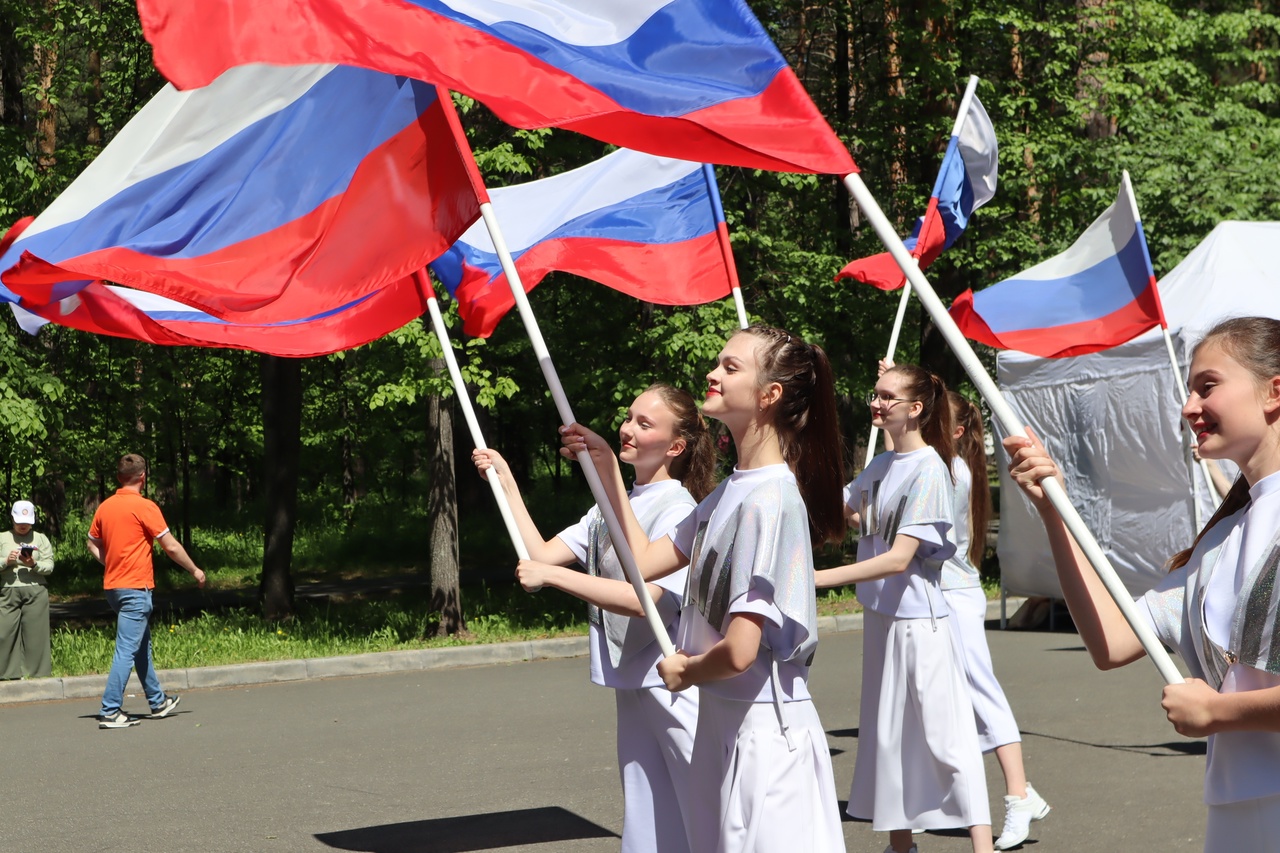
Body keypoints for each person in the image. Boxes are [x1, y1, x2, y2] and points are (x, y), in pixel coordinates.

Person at [559, 325, 847, 853]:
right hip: (724, 723)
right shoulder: (729, 492)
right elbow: (644, 561)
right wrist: (605, 470)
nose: (712, 374)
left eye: (730, 367)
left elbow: (740, 651)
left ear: (769, 395)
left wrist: (685, 670)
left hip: (764, 728)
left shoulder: (770, 500)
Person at [1003, 316, 1280, 853]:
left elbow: (1215, 704)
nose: (1189, 407)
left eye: (1209, 385)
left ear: (1275, 391)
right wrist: (1056, 512)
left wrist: (1220, 712)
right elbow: (1113, 641)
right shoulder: (1221, 537)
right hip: (1237, 811)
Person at [474, 384, 714, 853]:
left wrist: (553, 578)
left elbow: (641, 598)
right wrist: (505, 481)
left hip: (673, 680)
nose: (627, 428)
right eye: (628, 417)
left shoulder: (680, 509)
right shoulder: (611, 504)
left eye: (645, 424)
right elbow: (541, 553)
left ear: (676, 446)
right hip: (633, 682)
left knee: (703, 799)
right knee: (646, 805)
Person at [814, 363, 993, 853]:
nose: (876, 402)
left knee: (945, 738)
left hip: (921, 622)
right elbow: (855, 516)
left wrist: (814, 580)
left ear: (915, 410)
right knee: (887, 736)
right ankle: (900, 846)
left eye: (887, 396)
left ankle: (983, 847)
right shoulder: (882, 465)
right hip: (883, 619)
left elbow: (898, 557)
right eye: (875, 394)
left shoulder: (932, 468)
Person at [943, 391, 1049, 850]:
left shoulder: (950, 471)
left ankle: (1017, 794)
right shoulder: (934, 466)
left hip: (953, 598)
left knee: (982, 696)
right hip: (937, 598)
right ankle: (1016, 793)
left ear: (958, 432)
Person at [87, 453, 206, 729]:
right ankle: (110, 710)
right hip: (135, 588)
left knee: (141, 646)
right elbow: (171, 546)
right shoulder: (145, 507)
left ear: (119, 478)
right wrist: (195, 570)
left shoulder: (105, 507)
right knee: (126, 649)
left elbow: (92, 543)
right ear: (143, 477)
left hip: (113, 587)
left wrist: (110, 562)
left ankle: (157, 701)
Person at [0, 500, 54, 679]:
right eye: (19, 521)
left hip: (35, 590)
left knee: (36, 635)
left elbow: (50, 565)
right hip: (7, 590)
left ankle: (38, 675)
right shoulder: (2, 538)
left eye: (27, 522)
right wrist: (6, 561)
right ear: (12, 519)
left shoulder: (40, 538)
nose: (23, 525)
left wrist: (34, 564)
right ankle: (7, 674)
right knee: (4, 633)